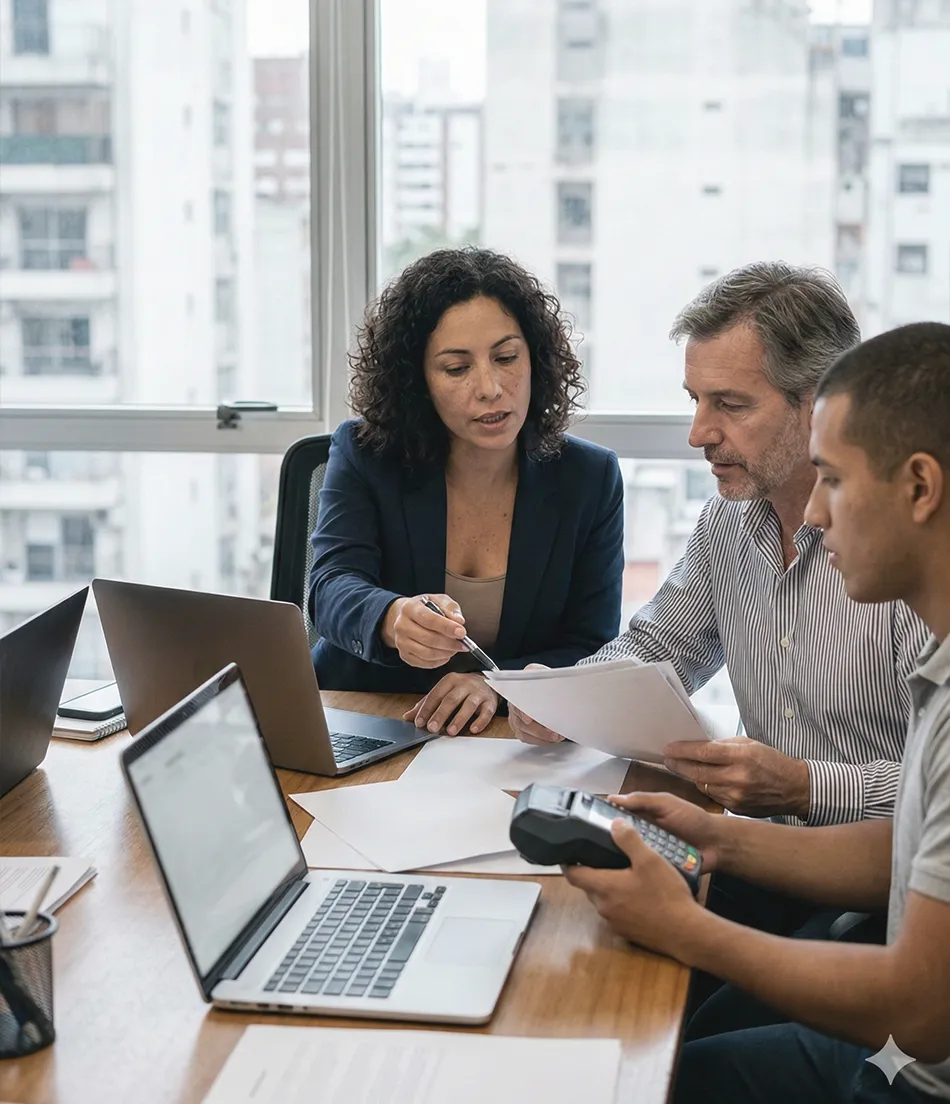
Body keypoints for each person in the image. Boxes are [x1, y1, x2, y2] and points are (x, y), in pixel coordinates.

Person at [564, 321, 950, 1104]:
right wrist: (718, 837)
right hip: (894, 1029)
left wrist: (689, 929)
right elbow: (904, 851)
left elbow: (921, 1008)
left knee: (642, 1070)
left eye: (833, 480)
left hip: (913, 1069)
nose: (814, 514)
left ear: (918, 487)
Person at [307, 247, 624, 735]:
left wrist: (498, 684)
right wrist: (392, 618)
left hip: (500, 738)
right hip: (364, 716)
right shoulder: (365, 453)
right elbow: (329, 588)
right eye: (457, 368)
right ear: (418, 382)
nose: (491, 388)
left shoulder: (590, 477)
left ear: (535, 359)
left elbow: (592, 642)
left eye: (506, 357)